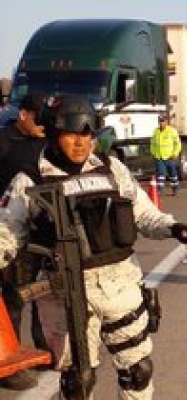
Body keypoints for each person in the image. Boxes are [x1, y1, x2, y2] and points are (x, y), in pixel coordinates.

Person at [0, 94, 187, 400]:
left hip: (119, 286)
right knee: (78, 382)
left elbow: (145, 214)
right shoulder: (29, 180)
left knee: (138, 371)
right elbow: (6, 234)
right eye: (71, 134)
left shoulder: (112, 169)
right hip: (62, 294)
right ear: (55, 134)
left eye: (87, 134)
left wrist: (176, 229)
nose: (81, 143)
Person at [0, 92, 50, 391]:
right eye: (39, 118)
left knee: (44, 295)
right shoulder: (4, 142)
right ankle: (11, 363)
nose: (44, 125)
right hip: (9, 233)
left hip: (40, 234)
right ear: (24, 115)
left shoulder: (44, 144)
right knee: (13, 299)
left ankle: (47, 351)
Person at [150, 114, 181, 196]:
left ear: (166, 122)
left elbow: (177, 144)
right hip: (159, 157)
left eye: (163, 121)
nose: (161, 123)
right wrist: (153, 153)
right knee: (160, 174)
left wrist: (175, 153)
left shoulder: (172, 131)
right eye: (160, 121)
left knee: (173, 175)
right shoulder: (156, 131)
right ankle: (160, 191)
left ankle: (175, 189)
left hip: (170, 157)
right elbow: (152, 144)